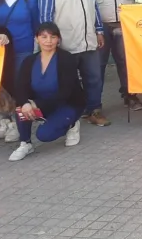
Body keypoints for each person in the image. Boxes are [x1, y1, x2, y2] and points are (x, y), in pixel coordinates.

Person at [38, 0, 109, 127]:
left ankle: (94, 110)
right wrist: (50, 42)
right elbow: (45, 19)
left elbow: (94, 8)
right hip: (65, 43)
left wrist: (99, 31)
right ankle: (70, 113)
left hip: (89, 40)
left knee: (94, 78)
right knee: (67, 82)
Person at [8, 22, 86, 161]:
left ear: (58, 39)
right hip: (40, 103)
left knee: (44, 135)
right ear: (36, 39)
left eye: (53, 37)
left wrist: (37, 104)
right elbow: (20, 86)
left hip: (66, 104)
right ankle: (25, 143)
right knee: (21, 107)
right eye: (44, 37)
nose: (48, 41)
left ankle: (72, 124)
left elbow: (66, 91)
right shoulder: (29, 60)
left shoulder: (66, 59)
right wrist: (25, 103)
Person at [81, 0, 141, 111]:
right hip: (100, 25)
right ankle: (94, 103)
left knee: (126, 62)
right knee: (97, 64)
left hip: (125, 23)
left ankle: (130, 95)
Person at [0, 0, 39, 142]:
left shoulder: (31, 0)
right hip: (0, 52)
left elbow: (37, 26)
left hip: (23, 50)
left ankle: (17, 123)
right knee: (1, 86)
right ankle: (6, 120)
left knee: (18, 86)